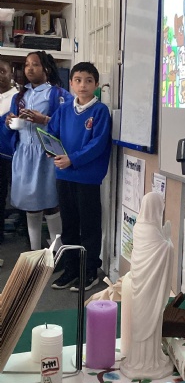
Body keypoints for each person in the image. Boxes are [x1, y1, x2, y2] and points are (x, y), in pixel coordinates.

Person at [48, 62, 111, 291]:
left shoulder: (100, 111)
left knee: (89, 226)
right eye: (78, 80)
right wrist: (51, 150)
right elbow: (51, 133)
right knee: (69, 225)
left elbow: (97, 144)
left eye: (88, 80)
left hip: (87, 178)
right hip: (64, 175)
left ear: (96, 84)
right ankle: (71, 269)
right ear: (71, 83)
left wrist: (72, 159)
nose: (83, 85)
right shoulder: (64, 109)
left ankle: (89, 271)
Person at [4, 51, 73, 251]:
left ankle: (57, 251)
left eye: (35, 64)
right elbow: (11, 126)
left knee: (51, 202)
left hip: (46, 154)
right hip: (24, 153)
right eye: (27, 65)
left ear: (47, 69)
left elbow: (69, 124)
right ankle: (35, 252)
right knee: (30, 204)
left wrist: (44, 120)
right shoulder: (19, 96)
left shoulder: (58, 94)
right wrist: (9, 122)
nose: (29, 69)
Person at [120, 192, 175, 380]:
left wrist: (164, 239)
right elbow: (163, 251)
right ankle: (149, 361)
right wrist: (168, 240)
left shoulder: (139, 227)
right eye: (160, 208)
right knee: (150, 320)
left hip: (140, 286)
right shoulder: (152, 231)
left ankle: (141, 358)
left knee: (141, 321)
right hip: (149, 289)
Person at [0, 57, 18, 243]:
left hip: (14, 156)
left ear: (11, 74)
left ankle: (30, 240)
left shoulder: (18, 98)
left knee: (22, 197)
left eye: (2, 71)